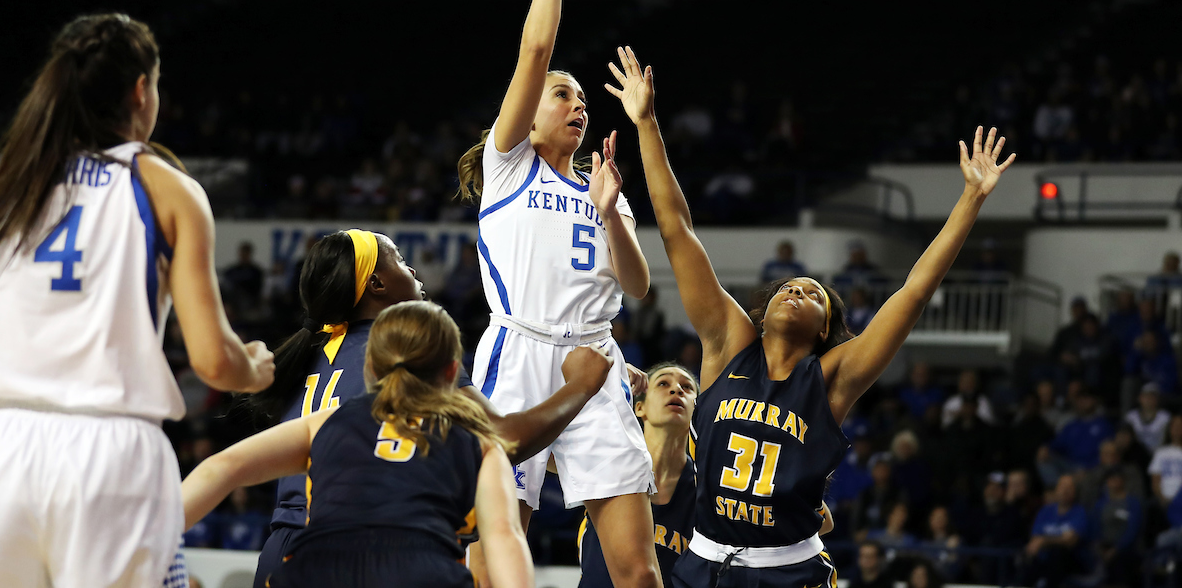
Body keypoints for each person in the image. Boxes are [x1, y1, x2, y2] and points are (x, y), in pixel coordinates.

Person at [606, 45, 1014, 587]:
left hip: (787, 571)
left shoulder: (831, 377)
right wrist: (647, 122)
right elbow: (678, 229)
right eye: (787, 288)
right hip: (704, 564)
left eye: (813, 294)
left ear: (825, 329)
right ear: (764, 308)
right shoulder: (728, 344)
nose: (796, 291)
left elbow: (914, 291)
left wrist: (970, 200)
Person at [0, 14, 275, 587]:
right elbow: (214, 361)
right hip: (111, 454)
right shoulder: (164, 187)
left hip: (1, 447)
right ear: (141, 89)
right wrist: (256, 371)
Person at [456, 0, 658, 588]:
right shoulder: (508, 167)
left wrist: (610, 212)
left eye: (580, 98)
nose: (576, 105)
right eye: (562, 95)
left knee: (636, 571)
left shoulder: (601, 185)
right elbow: (535, 51)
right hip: (519, 352)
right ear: (529, 115)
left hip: (596, 360)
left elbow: (635, 286)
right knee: (492, 557)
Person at [247, 229, 614, 588]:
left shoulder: (307, 355)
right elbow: (503, 439)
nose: (412, 270)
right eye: (401, 261)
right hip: (357, 550)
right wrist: (581, 386)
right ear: (377, 284)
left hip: (282, 553)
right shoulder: (404, 352)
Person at [181, 301, 535, 588]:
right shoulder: (481, 442)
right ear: (451, 371)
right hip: (421, 572)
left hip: (316, 570)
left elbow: (222, 467)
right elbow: (505, 538)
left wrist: (155, 532)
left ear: (369, 367)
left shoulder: (324, 422)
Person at [578, 363, 698, 588]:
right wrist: (608, 372)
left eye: (686, 387)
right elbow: (545, 451)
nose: (676, 390)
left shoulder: (704, 488)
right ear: (639, 408)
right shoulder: (610, 461)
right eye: (663, 383)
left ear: (696, 411)